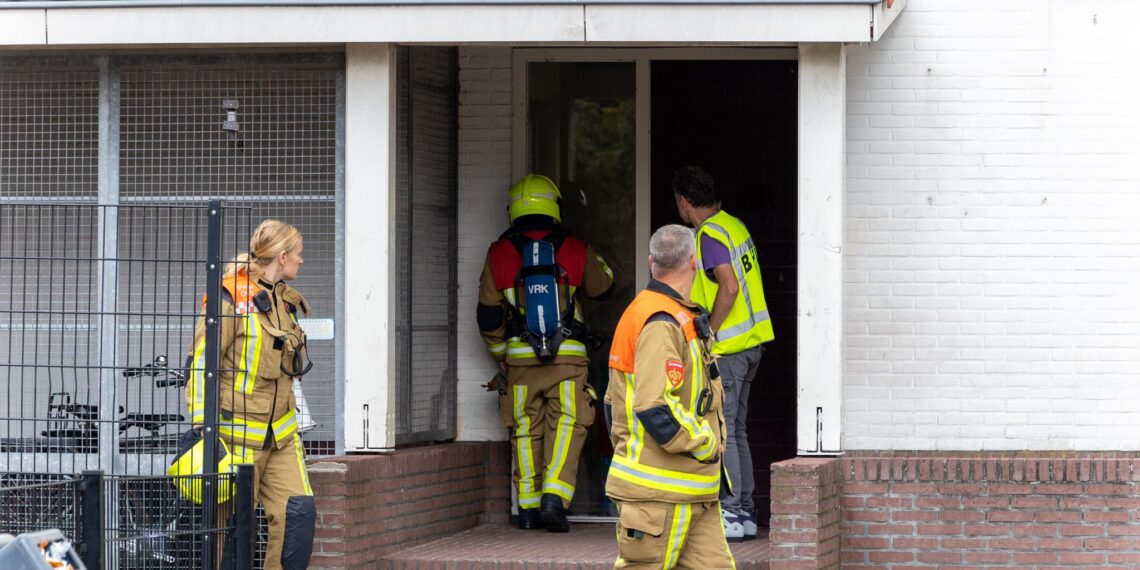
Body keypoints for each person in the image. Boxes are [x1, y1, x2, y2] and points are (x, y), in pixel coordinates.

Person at [477, 174, 615, 532]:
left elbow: (488, 315)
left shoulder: (498, 253)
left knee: (525, 429)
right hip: (568, 359)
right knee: (568, 423)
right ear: (554, 206)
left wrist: (501, 355)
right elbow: (605, 286)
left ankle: (527, 509)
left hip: (521, 360)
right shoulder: (573, 247)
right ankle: (554, 498)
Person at [183, 219, 316, 570]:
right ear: (282, 256)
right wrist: (202, 421)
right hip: (235, 434)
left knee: (297, 517)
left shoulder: (283, 300)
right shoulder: (231, 296)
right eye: (298, 255)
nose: (302, 261)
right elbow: (202, 360)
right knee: (228, 532)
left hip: (282, 434)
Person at [605, 224, 734, 569]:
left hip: (693, 492)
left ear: (651, 262)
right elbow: (653, 405)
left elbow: (612, 405)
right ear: (694, 262)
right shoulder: (660, 321)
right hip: (659, 497)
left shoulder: (665, 313)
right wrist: (705, 442)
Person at [672, 165, 774, 542]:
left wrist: (709, 332)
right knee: (739, 430)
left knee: (725, 430)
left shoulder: (709, 235)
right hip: (752, 344)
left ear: (684, 201)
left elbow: (727, 287)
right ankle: (745, 510)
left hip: (729, 348)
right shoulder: (734, 225)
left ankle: (730, 512)